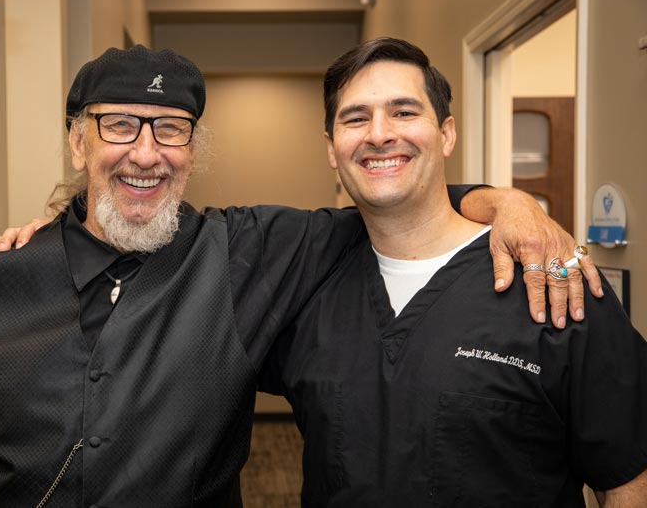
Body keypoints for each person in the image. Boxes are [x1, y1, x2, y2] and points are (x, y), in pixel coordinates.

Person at [0, 45, 599, 507]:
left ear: (193, 148)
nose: (146, 153)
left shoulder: (250, 252)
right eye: (120, 125)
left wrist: (506, 202)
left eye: (171, 129)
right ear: (77, 140)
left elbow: (397, 196)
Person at [259, 37, 647, 506]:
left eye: (404, 112)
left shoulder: (553, 275)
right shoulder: (308, 279)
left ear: (446, 134)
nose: (379, 134)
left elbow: (627, 477)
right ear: (331, 147)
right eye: (356, 117)